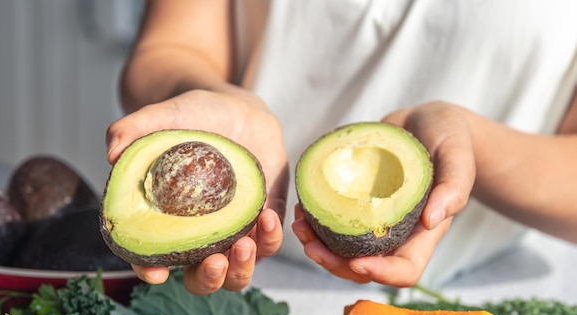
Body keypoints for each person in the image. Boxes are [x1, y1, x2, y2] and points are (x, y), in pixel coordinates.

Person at [105, 0, 577, 295]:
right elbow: (165, 50)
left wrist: (470, 144)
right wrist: (219, 97)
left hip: (491, 295)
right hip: (256, 277)